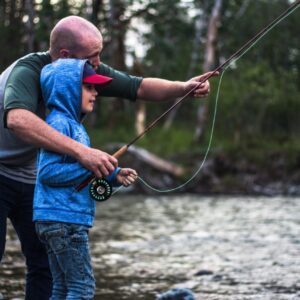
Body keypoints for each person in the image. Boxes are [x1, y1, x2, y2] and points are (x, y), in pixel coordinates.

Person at [0, 15, 215, 299]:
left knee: (45, 264)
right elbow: (17, 119)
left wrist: (182, 88)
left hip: (32, 173)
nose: (99, 62)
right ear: (66, 54)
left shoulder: (86, 73)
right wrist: (83, 153)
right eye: (94, 55)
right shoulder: (29, 71)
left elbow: (137, 86)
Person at [33, 58, 138, 299]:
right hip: (63, 220)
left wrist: (114, 175)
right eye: (88, 87)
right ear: (68, 89)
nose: (95, 93)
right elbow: (47, 173)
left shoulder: (75, 127)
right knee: (82, 287)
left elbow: (82, 170)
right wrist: (90, 167)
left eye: (95, 88)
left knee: (61, 287)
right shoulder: (60, 124)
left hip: (57, 218)